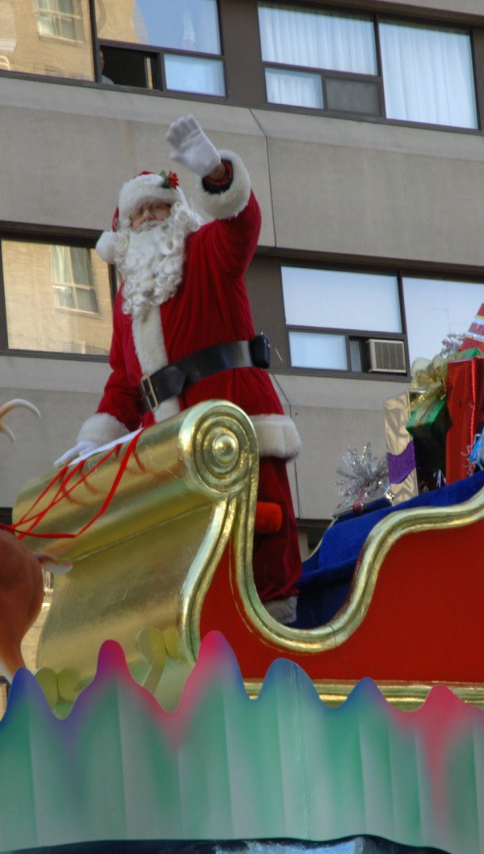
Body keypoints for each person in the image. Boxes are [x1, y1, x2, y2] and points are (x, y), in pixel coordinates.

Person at [55, 115, 302, 623]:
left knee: (260, 536)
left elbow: (243, 225)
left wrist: (216, 172)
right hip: (168, 448)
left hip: (237, 422)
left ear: (179, 211)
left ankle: (280, 632)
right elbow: (125, 387)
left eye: (160, 206)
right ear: (122, 230)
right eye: (138, 211)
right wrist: (93, 439)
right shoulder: (130, 303)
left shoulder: (209, 251)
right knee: (182, 554)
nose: (149, 217)